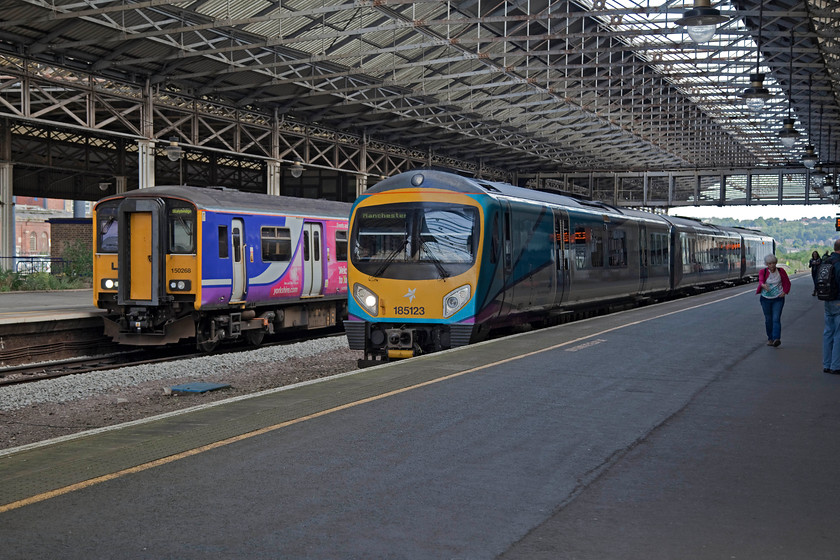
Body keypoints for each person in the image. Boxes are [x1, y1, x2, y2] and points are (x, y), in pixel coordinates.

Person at [756, 253, 790, 347]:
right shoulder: (763, 272)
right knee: (768, 319)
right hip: (765, 299)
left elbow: (787, 282)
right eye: (770, 263)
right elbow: (761, 280)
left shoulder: (781, 271)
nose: (772, 265)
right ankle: (770, 338)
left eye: (774, 263)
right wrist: (763, 285)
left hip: (778, 298)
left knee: (776, 318)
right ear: (766, 264)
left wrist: (785, 291)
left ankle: (776, 338)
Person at [823, 240, 840, 374]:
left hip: (827, 300)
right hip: (838, 300)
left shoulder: (826, 261)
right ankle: (836, 366)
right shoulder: (839, 263)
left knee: (828, 332)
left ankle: (827, 364)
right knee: (838, 334)